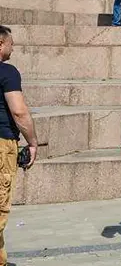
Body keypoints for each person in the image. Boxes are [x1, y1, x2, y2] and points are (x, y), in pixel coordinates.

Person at [0, 26, 38, 264]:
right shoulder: (7, 72)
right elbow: (19, 111)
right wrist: (32, 142)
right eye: (10, 43)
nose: (13, 47)